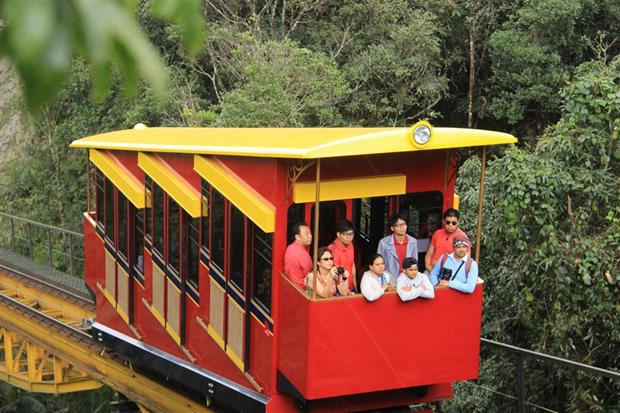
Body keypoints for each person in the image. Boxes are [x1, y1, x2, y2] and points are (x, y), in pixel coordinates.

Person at [327, 220, 357, 292]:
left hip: (351, 288)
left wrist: (356, 288)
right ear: (338, 234)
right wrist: (346, 292)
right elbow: (334, 276)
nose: (349, 237)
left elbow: (352, 265)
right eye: (346, 234)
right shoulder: (331, 249)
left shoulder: (350, 245)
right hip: (338, 291)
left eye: (351, 234)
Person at [284, 222, 313, 288]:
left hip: (291, 285)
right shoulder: (303, 254)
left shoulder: (290, 247)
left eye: (310, 233)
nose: (310, 236)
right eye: (307, 234)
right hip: (302, 287)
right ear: (297, 237)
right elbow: (310, 276)